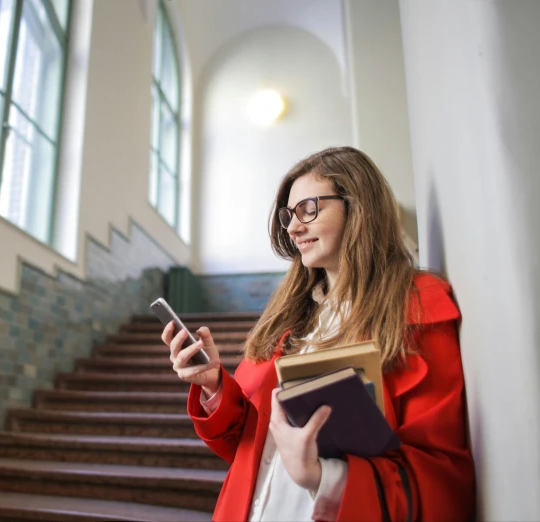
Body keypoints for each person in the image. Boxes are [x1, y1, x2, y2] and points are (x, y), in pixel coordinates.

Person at [162, 146, 475, 521]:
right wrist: (213, 384)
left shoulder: (417, 307)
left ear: (358, 206)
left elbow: (439, 474)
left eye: (309, 209)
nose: (293, 227)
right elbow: (249, 446)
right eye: (288, 215)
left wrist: (322, 476)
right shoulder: (288, 318)